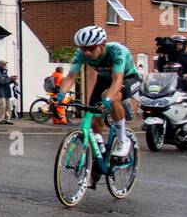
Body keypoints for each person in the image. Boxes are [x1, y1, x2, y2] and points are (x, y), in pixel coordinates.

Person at [56, 26, 140, 157]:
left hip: (127, 78)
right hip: (104, 79)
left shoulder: (117, 50)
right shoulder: (80, 53)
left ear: (102, 44)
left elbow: (117, 79)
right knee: (94, 117)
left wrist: (107, 100)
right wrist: (60, 95)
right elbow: (71, 76)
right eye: (84, 49)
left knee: (109, 97)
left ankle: (122, 140)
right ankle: (99, 153)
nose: (87, 53)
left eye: (91, 48)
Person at [153, 35, 187, 135]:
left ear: (184, 45)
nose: (177, 46)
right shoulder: (167, 57)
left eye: (179, 44)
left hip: (186, 85)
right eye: (175, 44)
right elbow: (160, 70)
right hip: (169, 86)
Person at [0, 59, 14, 124]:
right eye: (3, 64)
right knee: (1, 105)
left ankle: (7, 119)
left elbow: (6, 80)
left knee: (8, 105)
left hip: (6, 91)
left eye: (5, 64)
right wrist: (10, 79)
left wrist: (12, 80)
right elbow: (1, 82)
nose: (5, 65)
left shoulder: (4, 71)